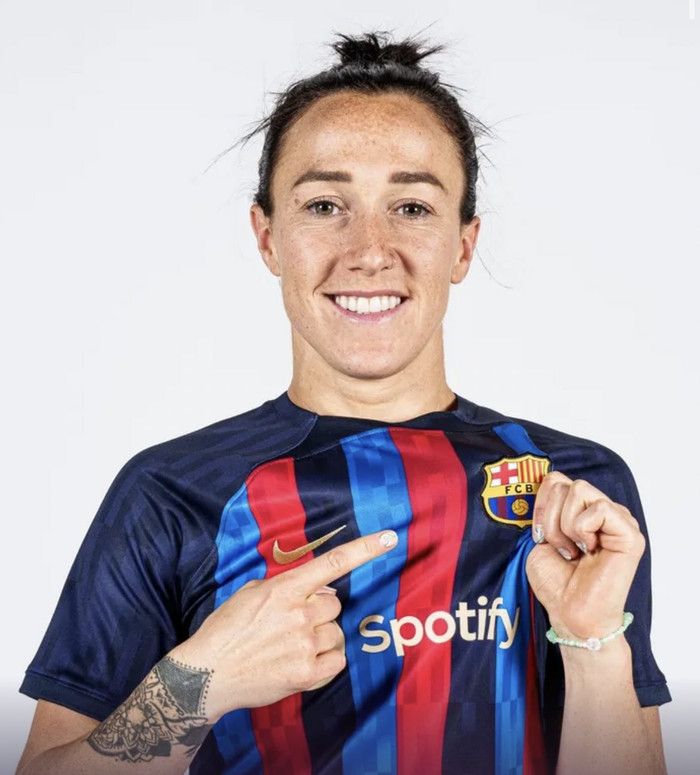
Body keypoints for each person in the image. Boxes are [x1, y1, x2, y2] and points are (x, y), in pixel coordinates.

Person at [15, 31, 670, 775]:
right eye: (325, 204)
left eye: (412, 206)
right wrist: (200, 681)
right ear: (268, 237)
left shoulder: (575, 493)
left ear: (463, 245)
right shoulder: (169, 492)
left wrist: (591, 643)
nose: (369, 250)